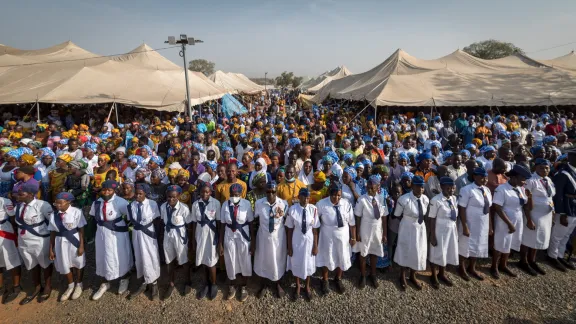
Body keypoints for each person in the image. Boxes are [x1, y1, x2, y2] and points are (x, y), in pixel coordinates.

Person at [89, 180, 133, 301]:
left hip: (117, 234)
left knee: (120, 254)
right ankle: (105, 282)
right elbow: (93, 219)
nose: (106, 192)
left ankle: (124, 278)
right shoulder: (97, 203)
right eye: (104, 190)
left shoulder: (120, 201)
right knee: (104, 256)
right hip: (102, 234)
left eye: (109, 190)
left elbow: (130, 216)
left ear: (114, 191)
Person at [14, 182, 54, 304]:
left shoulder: (42, 205)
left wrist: (53, 244)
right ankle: (37, 286)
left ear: (31, 194)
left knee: (45, 263)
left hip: (39, 240)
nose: (18, 196)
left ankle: (47, 286)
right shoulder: (18, 207)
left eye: (21, 194)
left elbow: (52, 224)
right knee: (31, 264)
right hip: (24, 241)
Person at [491, 164, 532, 279]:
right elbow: (497, 207)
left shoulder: (521, 189)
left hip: (517, 218)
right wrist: (509, 224)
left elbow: (525, 205)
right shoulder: (502, 189)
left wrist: (530, 197)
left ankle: (503, 265)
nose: (524, 181)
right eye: (522, 178)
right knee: (500, 243)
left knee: (510, 243)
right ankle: (494, 266)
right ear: (514, 177)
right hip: (504, 220)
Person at [316, 183, 356, 295]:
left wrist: (353, 237)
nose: (336, 198)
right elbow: (315, 222)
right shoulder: (321, 204)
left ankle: (338, 278)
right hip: (327, 236)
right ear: (329, 194)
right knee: (326, 256)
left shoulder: (346, 204)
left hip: (343, 235)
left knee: (341, 256)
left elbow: (352, 223)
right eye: (334, 195)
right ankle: (325, 280)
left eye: (339, 195)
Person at [219, 183, 254, 302]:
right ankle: (232, 285)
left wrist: (253, 242)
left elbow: (250, 223)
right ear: (229, 194)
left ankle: (244, 287)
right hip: (229, 235)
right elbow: (222, 225)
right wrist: (220, 244)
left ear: (241, 194)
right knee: (230, 260)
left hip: (243, 235)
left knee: (245, 260)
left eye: (237, 194)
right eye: (233, 194)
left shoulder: (246, 204)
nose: (235, 196)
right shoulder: (225, 204)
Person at [253, 181, 288, 298]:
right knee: (264, 259)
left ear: (276, 192)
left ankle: (278, 283)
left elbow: (287, 222)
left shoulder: (283, 204)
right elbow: (255, 219)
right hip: (263, 237)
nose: (270, 194)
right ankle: (264, 284)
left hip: (278, 238)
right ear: (265, 192)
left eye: (273, 191)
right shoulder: (259, 203)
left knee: (277, 260)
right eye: (268, 191)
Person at [48, 192, 85, 301]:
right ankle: (70, 285)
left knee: (78, 262)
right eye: (56, 203)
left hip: (74, 240)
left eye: (61, 203)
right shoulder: (53, 215)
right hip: (59, 242)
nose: (58, 205)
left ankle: (79, 284)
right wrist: (51, 249)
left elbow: (81, 229)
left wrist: (81, 245)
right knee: (64, 263)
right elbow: (52, 232)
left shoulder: (77, 212)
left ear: (69, 202)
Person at [520, 158, 555, 275]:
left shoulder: (548, 180)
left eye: (547, 168)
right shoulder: (531, 180)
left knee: (538, 237)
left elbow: (550, 197)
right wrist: (529, 219)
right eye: (541, 167)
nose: (545, 170)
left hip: (546, 215)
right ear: (535, 168)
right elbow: (526, 201)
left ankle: (532, 260)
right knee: (528, 237)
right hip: (533, 214)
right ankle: (523, 261)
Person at [126, 183, 161, 301]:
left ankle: (154, 283)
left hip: (148, 234)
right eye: (136, 193)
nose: (137, 196)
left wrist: (154, 234)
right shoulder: (132, 206)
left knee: (151, 256)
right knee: (140, 256)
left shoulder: (152, 204)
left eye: (140, 194)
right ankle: (144, 282)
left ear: (145, 194)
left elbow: (156, 220)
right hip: (137, 234)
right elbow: (132, 220)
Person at [393, 175, 428, 290]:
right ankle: (402, 276)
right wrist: (408, 222)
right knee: (405, 249)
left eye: (422, 187)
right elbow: (397, 215)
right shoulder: (404, 199)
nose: (421, 190)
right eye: (418, 187)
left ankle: (413, 275)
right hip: (407, 227)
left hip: (420, 228)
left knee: (418, 250)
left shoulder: (425, 199)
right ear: (412, 186)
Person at [353, 175, 388, 289]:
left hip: (377, 229)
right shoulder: (362, 199)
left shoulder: (381, 199)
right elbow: (357, 217)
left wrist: (384, 233)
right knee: (363, 253)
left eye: (372, 185)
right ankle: (363, 275)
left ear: (378, 186)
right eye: (368, 184)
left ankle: (373, 274)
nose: (369, 187)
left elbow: (384, 217)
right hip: (365, 228)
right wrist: (357, 232)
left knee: (374, 252)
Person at [458, 167, 492, 281]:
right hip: (470, 222)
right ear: (474, 177)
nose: (484, 179)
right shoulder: (467, 189)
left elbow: (489, 209)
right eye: (482, 177)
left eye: (486, 177)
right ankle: (461, 268)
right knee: (465, 245)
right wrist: (464, 226)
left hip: (483, 222)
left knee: (478, 244)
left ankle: (472, 267)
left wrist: (490, 226)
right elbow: (461, 208)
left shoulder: (487, 190)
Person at [286, 188, 319, 301]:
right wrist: (289, 246)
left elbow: (315, 230)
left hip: (309, 240)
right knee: (297, 262)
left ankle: (308, 286)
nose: (306, 200)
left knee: (309, 263)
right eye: (304, 197)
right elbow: (289, 229)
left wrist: (315, 245)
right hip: (297, 240)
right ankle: (298, 286)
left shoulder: (313, 209)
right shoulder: (293, 210)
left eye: (308, 197)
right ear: (299, 197)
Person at [161, 185, 193, 300]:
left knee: (183, 259)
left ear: (179, 196)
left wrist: (189, 240)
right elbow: (162, 221)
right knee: (169, 260)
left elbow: (189, 224)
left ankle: (188, 281)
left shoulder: (184, 208)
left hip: (180, 235)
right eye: (169, 197)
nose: (171, 199)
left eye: (174, 197)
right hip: (168, 234)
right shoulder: (163, 207)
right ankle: (171, 283)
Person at [190, 184, 221, 300]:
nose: (205, 194)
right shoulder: (195, 204)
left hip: (211, 235)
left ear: (211, 192)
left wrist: (220, 242)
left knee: (211, 260)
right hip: (200, 234)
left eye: (207, 192)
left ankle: (213, 284)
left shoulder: (216, 203)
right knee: (203, 259)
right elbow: (193, 222)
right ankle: (205, 283)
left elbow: (219, 223)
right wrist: (193, 239)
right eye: (202, 192)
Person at [428, 177, 459, 288]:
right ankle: (434, 275)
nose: (451, 190)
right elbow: (432, 218)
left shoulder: (454, 199)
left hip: (451, 228)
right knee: (436, 252)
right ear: (441, 187)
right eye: (448, 188)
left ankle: (442, 273)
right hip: (439, 229)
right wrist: (432, 235)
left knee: (446, 251)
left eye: (452, 188)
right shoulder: (436, 200)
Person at [549, 148, 576, 271]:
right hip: (566, 208)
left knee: (566, 235)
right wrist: (562, 212)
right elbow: (558, 195)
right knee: (558, 235)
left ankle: (560, 255)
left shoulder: (573, 172)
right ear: (571, 158)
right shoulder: (563, 173)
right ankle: (552, 256)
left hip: (574, 208)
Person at [0, 193, 21, 304]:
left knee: (11, 258)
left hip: (4, 230)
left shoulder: (5, 201)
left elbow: (13, 218)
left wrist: (15, 232)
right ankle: (1, 287)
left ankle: (16, 286)